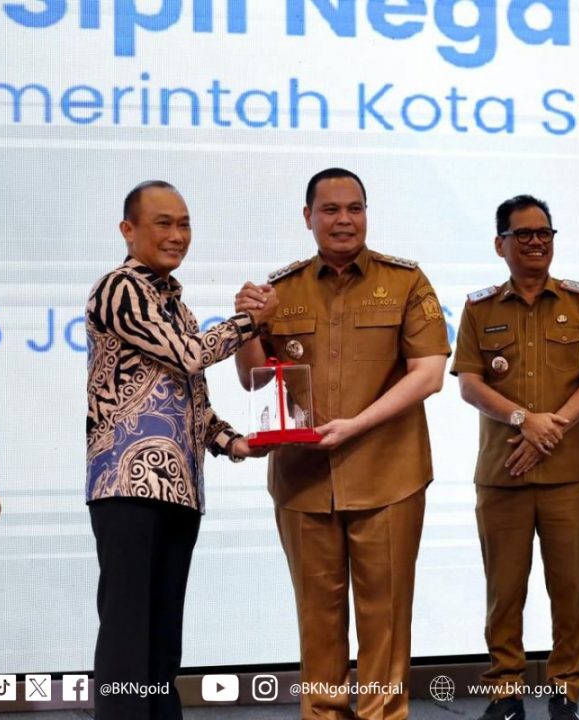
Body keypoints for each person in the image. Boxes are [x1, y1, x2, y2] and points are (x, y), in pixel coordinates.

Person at [234, 167, 450, 720]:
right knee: (317, 619)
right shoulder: (279, 290)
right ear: (308, 217)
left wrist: (356, 425)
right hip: (304, 481)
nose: (344, 220)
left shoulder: (406, 281)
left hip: (389, 475)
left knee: (386, 619)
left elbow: (429, 374)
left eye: (355, 208)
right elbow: (255, 380)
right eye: (330, 209)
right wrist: (246, 325)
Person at [85, 180, 276, 720]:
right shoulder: (120, 287)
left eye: (184, 224)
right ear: (128, 230)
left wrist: (235, 442)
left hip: (179, 488)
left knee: (163, 640)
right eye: (163, 223)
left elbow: (192, 402)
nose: (177, 235)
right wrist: (251, 321)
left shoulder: (177, 305)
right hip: (127, 485)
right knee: (128, 636)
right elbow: (190, 355)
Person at [450, 194, 579, 720]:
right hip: (503, 473)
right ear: (500, 243)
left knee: (570, 588)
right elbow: (470, 384)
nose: (536, 242)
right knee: (504, 592)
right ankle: (505, 692)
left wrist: (550, 428)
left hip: (568, 475)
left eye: (544, 233)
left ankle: (565, 690)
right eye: (523, 234)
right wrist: (525, 420)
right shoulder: (479, 308)